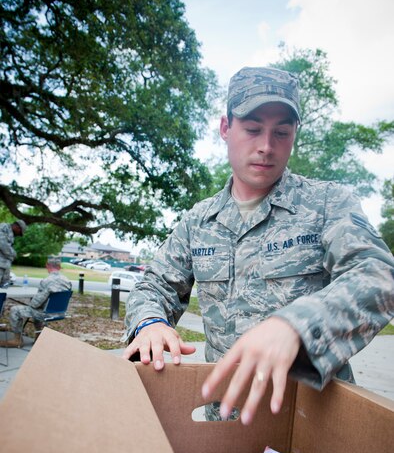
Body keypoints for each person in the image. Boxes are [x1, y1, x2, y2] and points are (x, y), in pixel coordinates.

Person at [122, 66, 394, 425]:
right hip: (225, 424)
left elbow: (378, 275)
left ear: (295, 134)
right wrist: (150, 323)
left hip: (311, 426)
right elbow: (154, 284)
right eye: (252, 130)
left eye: (281, 132)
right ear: (225, 128)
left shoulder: (328, 203)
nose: (266, 146)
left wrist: (296, 326)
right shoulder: (198, 221)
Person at [0, 256, 72, 348]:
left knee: (15, 309)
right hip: (59, 312)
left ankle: (17, 340)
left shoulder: (47, 281)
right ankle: (38, 337)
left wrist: (31, 304)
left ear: (47, 266)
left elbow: (35, 304)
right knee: (37, 309)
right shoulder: (67, 281)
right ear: (59, 266)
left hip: (45, 314)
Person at [0, 219, 27, 287]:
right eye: (20, 233)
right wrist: (13, 254)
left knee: (4, 290)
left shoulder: (10, 233)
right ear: (17, 227)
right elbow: (3, 244)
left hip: (5, 267)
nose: (19, 235)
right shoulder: (3, 227)